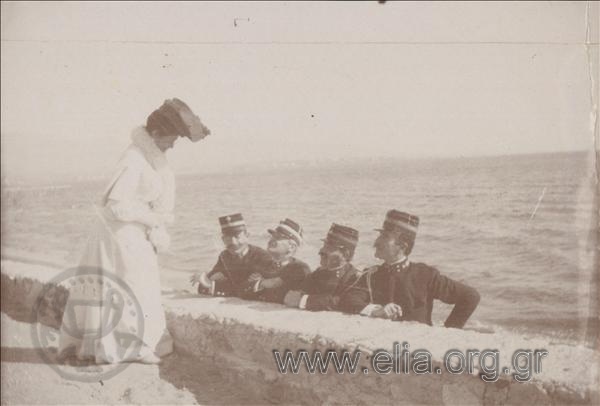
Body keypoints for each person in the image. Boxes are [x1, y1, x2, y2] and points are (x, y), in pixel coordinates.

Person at [58, 98, 211, 364]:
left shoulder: (148, 158)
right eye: (171, 139)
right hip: (119, 233)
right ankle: (128, 347)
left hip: (132, 233)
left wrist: (153, 224)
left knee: (138, 286)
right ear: (155, 134)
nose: (173, 144)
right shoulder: (133, 159)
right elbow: (116, 205)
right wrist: (153, 220)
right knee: (131, 286)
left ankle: (131, 345)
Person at [348, 210, 480, 329]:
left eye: (385, 237)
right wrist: (378, 311)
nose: (376, 242)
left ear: (402, 245)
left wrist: (448, 331)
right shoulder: (371, 275)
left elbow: (470, 296)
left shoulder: (425, 275)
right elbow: (349, 300)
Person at [191, 213, 275, 299]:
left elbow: (246, 290)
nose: (233, 242)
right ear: (223, 239)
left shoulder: (262, 257)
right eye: (228, 238)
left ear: (247, 236)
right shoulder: (224, 256)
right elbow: (202, 288)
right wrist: (208, 278)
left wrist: (210, 284)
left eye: (237, 237)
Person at [283, 223, 363, 312]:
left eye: (330, 247)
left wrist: (305, 301)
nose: (321, 251)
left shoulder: (355, 279)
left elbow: (346, 302)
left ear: (346, 254)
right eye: (324, 245)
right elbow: (293, 297)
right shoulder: (317, 274)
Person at [249, 218, 311, 304]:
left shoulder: (300, 269)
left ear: (291, 247)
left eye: (277, 238)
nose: (271, 240)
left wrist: (261, 283)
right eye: (272, 236)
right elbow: (243, 291)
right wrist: (261, 284)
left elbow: (283, 296)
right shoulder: (264, 264)